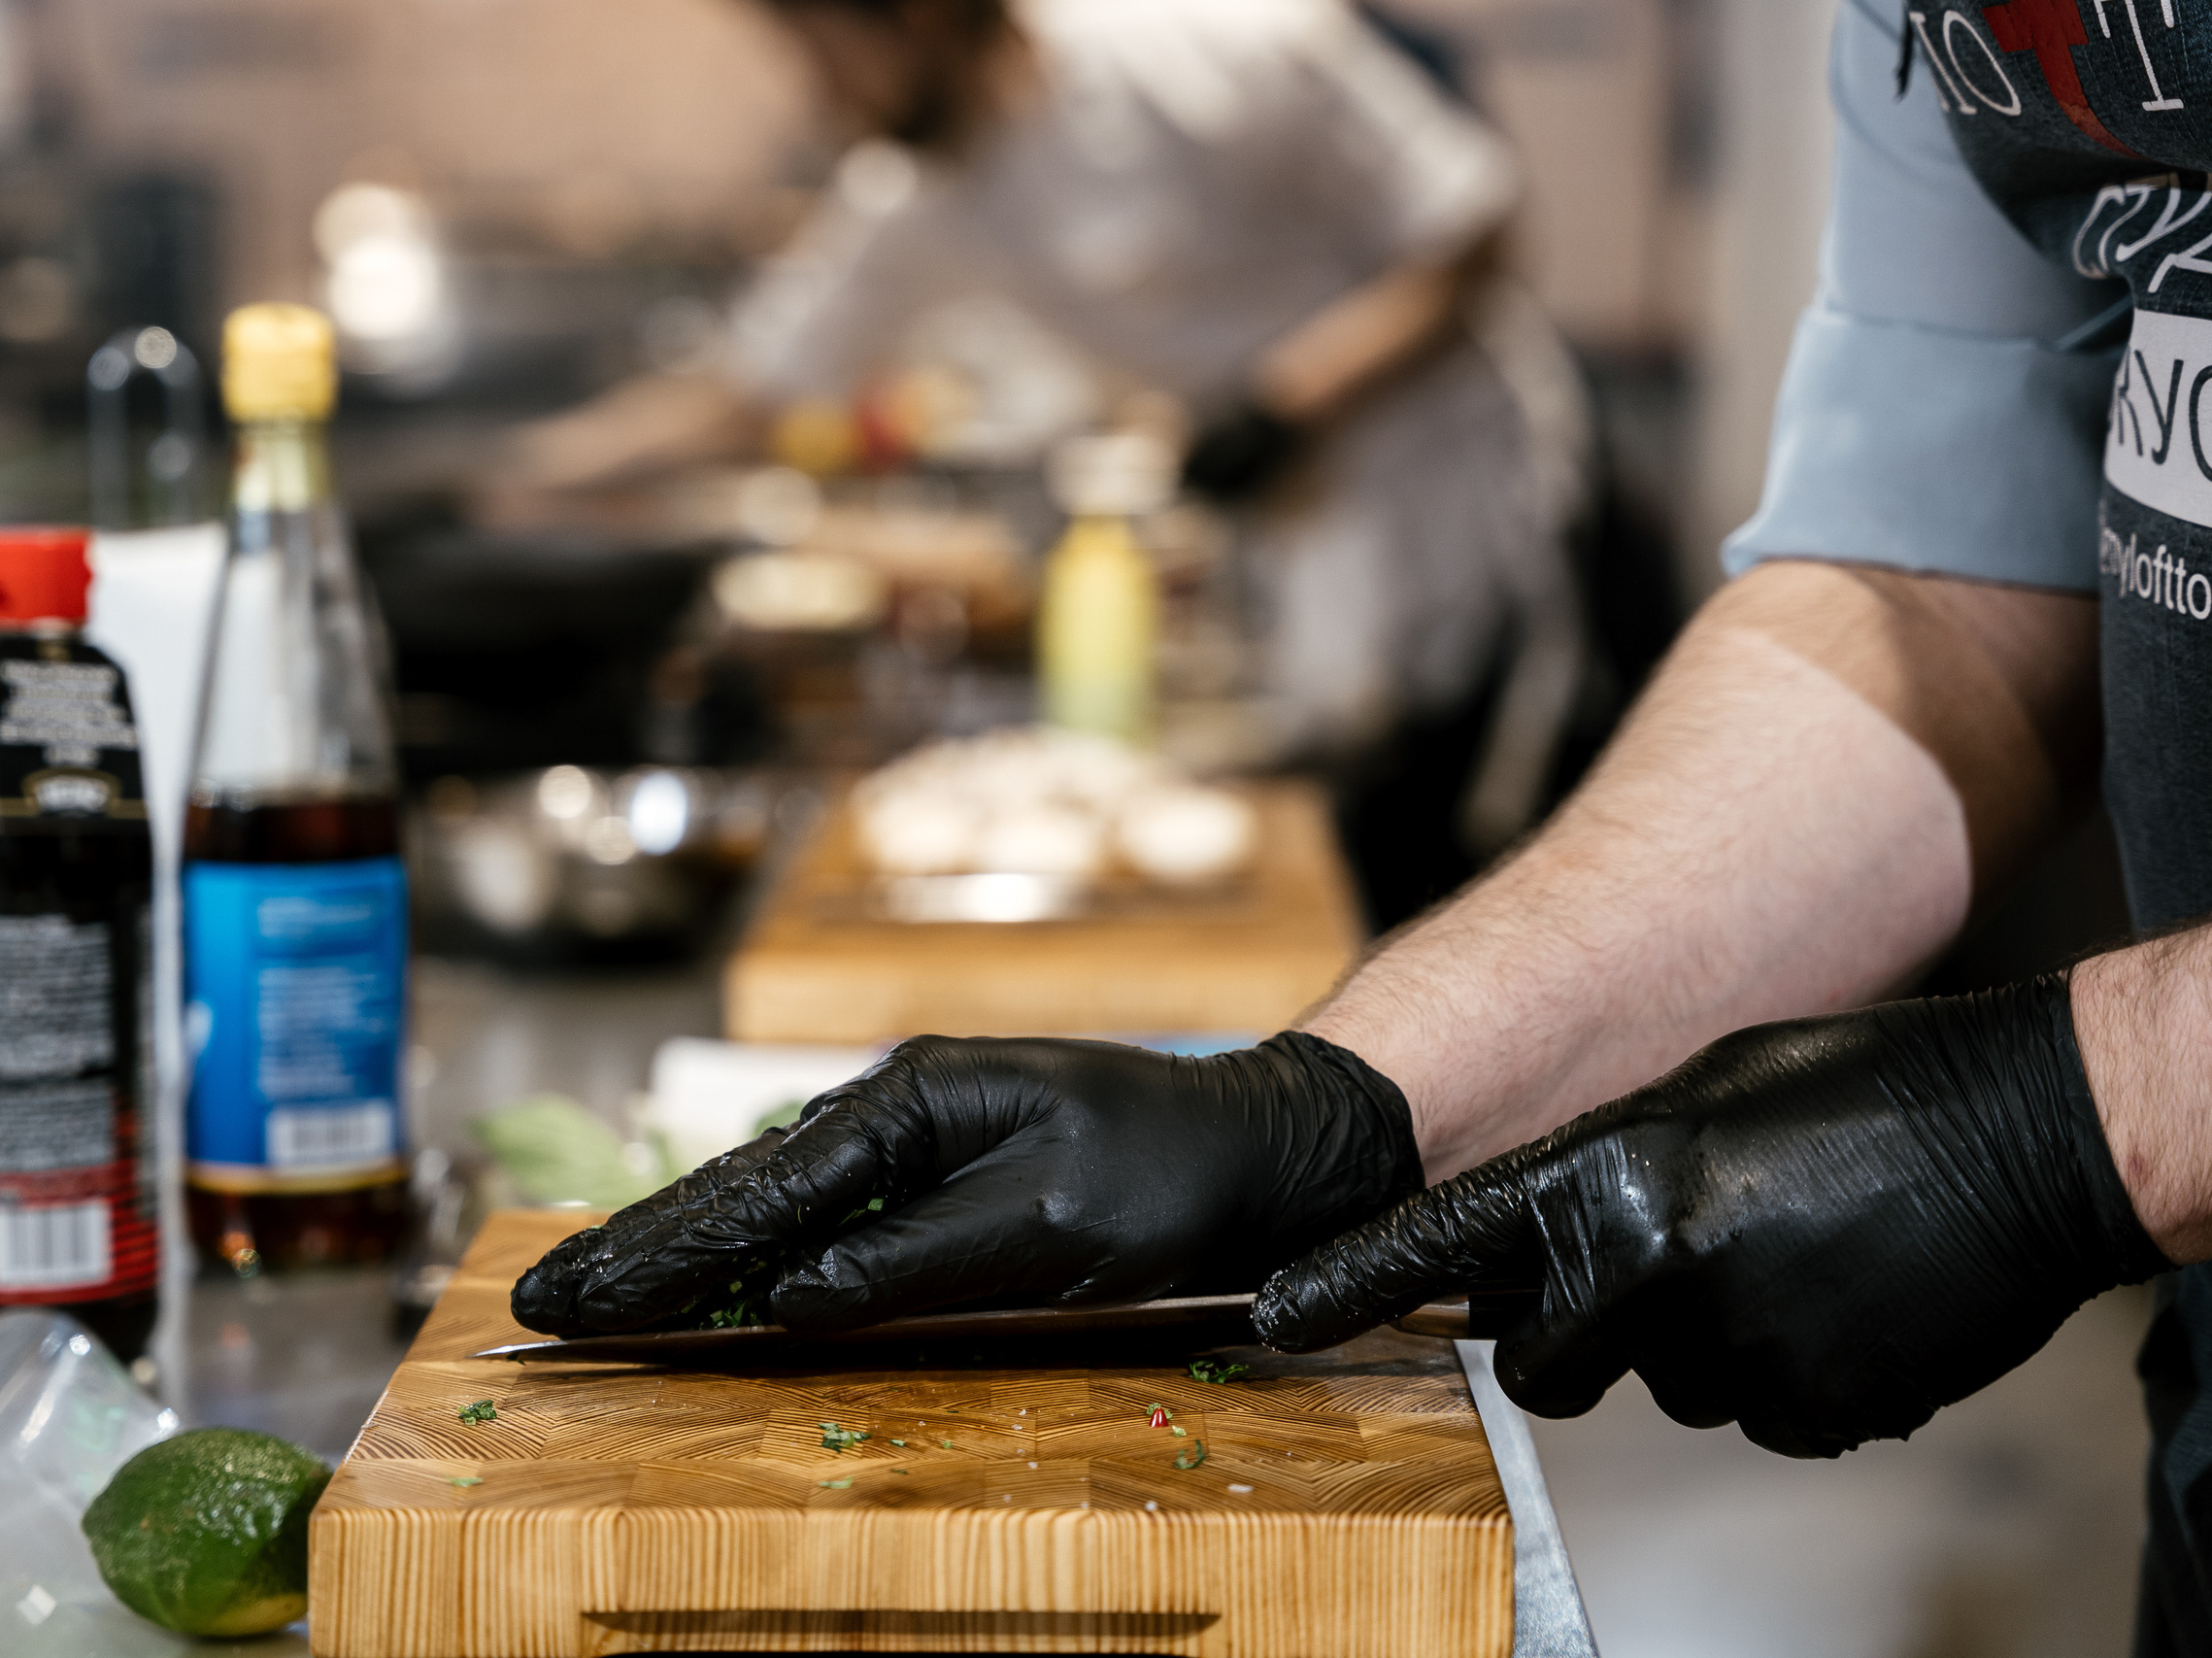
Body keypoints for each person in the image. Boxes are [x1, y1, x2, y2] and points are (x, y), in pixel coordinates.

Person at [519, 0, 2212, 1642]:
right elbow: (1945, 582)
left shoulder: (1209, 50)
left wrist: (2096, 1104)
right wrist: (1344, 1099)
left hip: (1451, 542)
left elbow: (1464, 217)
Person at [502, 0, 1595, 907]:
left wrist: (1285, 404)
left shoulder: (1216, 44)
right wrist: (515, 476)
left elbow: (1476, 226)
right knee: (1344, 846)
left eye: (819, 48)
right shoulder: (917, 196)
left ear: (920, 15)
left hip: (1463, 499)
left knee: (1467, 862)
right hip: (1296, 540)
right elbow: (747, 391)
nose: (818, 96)